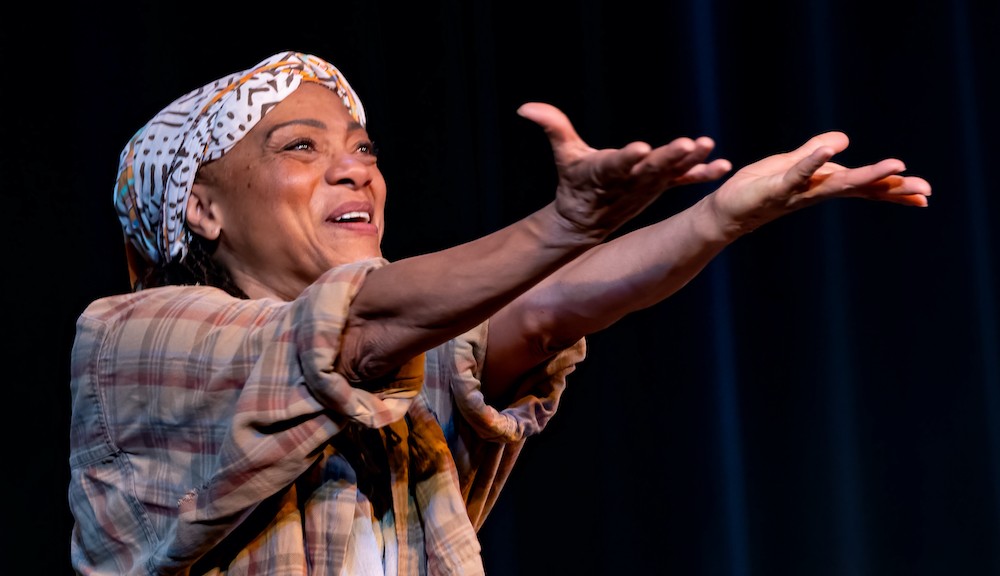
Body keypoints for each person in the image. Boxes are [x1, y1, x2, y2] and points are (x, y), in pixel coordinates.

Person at [67, 50, 930, 575]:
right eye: (301, 147)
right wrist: (566, 223)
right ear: (204, 208)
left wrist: (717, 218)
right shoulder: (129, 341)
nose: (356, 169)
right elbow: (352, 333)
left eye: (364, 149)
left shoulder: (404, 368)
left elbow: (541, 312)